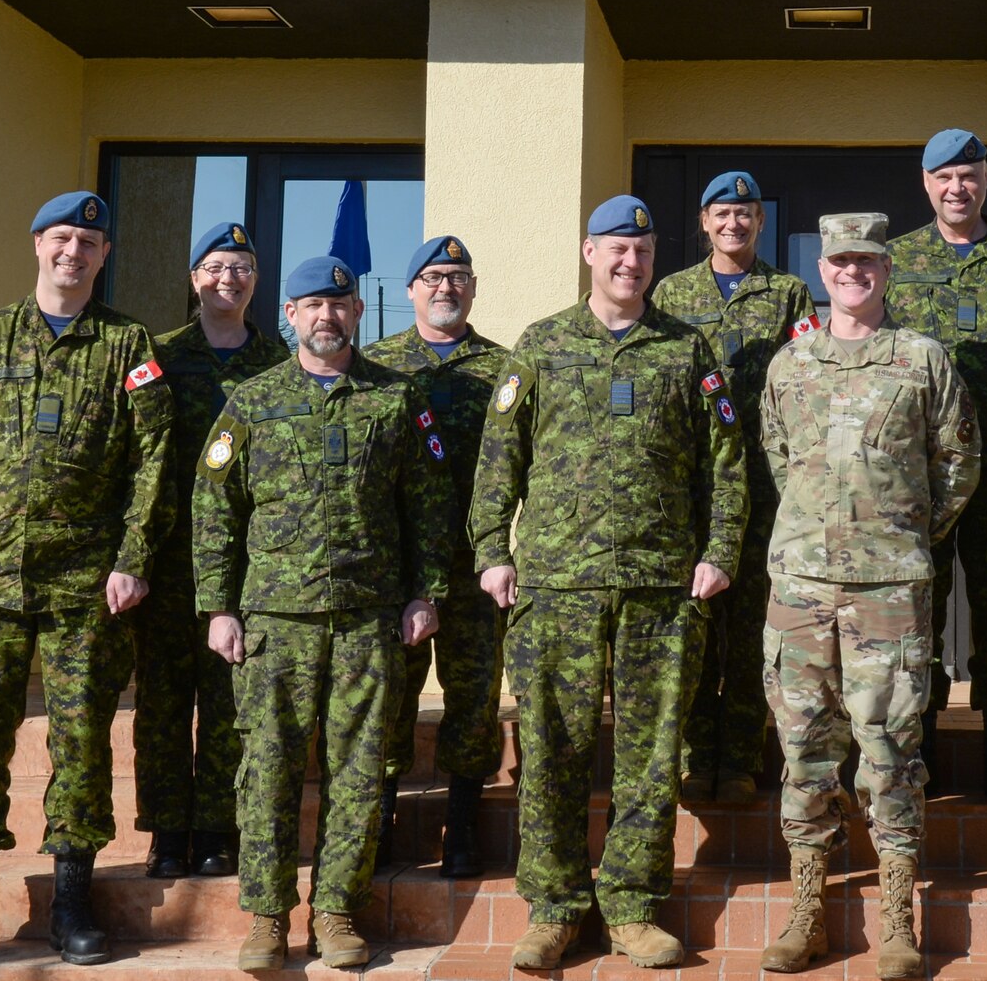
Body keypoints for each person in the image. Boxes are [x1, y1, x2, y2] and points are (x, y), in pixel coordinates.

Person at [472, 195, 746, 972]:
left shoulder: (686, 349)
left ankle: (630, 906)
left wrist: (720, 550)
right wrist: (493, 550)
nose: (631, 262)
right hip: (558, 585)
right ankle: (555, 907)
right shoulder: (542, 345)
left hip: (661, 588)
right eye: (616, 249)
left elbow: (726, 463)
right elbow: (499, 459)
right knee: (552, 750)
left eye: (644, 250)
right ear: (589, 253)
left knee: (651, 756)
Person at [0, 190, 173, 970]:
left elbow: (153, 460)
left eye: (88, 243)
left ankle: (71, 903)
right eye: (62, 237)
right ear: (37, 244)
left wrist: (133, 558)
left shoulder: (129, 345)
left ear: (103, 256)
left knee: (83, 742)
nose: (73, 252)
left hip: (85, 589)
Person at [192, 255, 451, 972]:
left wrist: (425, 593)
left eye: (339, 305)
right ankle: (267, 917)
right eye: (312, 305)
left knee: (360, 771)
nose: (326, 316)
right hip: (275, 621)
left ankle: (337, 910)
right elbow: (214, 508)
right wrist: (217, 605)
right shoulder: (251, 401)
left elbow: (428, 504)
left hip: (368, 620)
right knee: (268, 771)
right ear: (291, 314)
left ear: (359, 313)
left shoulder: (397, 400)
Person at [758, 212, 980, 978]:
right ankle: (807, 912)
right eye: (841, 261)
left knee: (889, 753)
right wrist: (825, 532)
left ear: (888, 270)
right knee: (804, 752)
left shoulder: (922, 360)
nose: (854, 272)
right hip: (801, 587)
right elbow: (779, 457)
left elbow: (957, 462)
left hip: (888, 589)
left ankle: (896, 922)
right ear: (823, 271)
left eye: (868, 262)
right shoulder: (790, 365)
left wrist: (897, 530)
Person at [886, 128, 987, 801]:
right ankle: (913, 765)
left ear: (985, 180)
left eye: (970, 175)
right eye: (944, 176)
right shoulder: (895, 261)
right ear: (927, 184)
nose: (958, 187)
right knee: (917, 617)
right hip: (919, 475)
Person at [651, 170, 817, 804]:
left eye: (744, 213)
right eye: (721, 213)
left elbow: (802, 382)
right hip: (689, 486)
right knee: (694, 628)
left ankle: (742, 757)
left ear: (760, 221)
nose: (733, 223)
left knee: (751, 629)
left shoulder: (788, 292)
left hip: (762, 485)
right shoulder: (671, 292)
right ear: (703, 222)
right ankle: (698, 757)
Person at [133, 221, 289, 882]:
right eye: (217, 267)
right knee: (164, 702)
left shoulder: (279, 363)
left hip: (248, 563)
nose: (230, 278)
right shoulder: (155, 356)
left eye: (243, 268)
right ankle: (167, 831)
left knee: (231, 703)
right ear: (195, 277)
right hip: (169, 557)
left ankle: (218, 831)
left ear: (256, 280)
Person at [368, 234, 509, 877]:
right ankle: (385, 819)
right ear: (409, 291)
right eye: (432, 277)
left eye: (457, 277)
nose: (445, 287)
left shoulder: (505, 368)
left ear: (474, 288)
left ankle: (463, 824)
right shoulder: (374, 366)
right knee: (391, 695)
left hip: (476, 563)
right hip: (395, 567)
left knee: (473, 695)